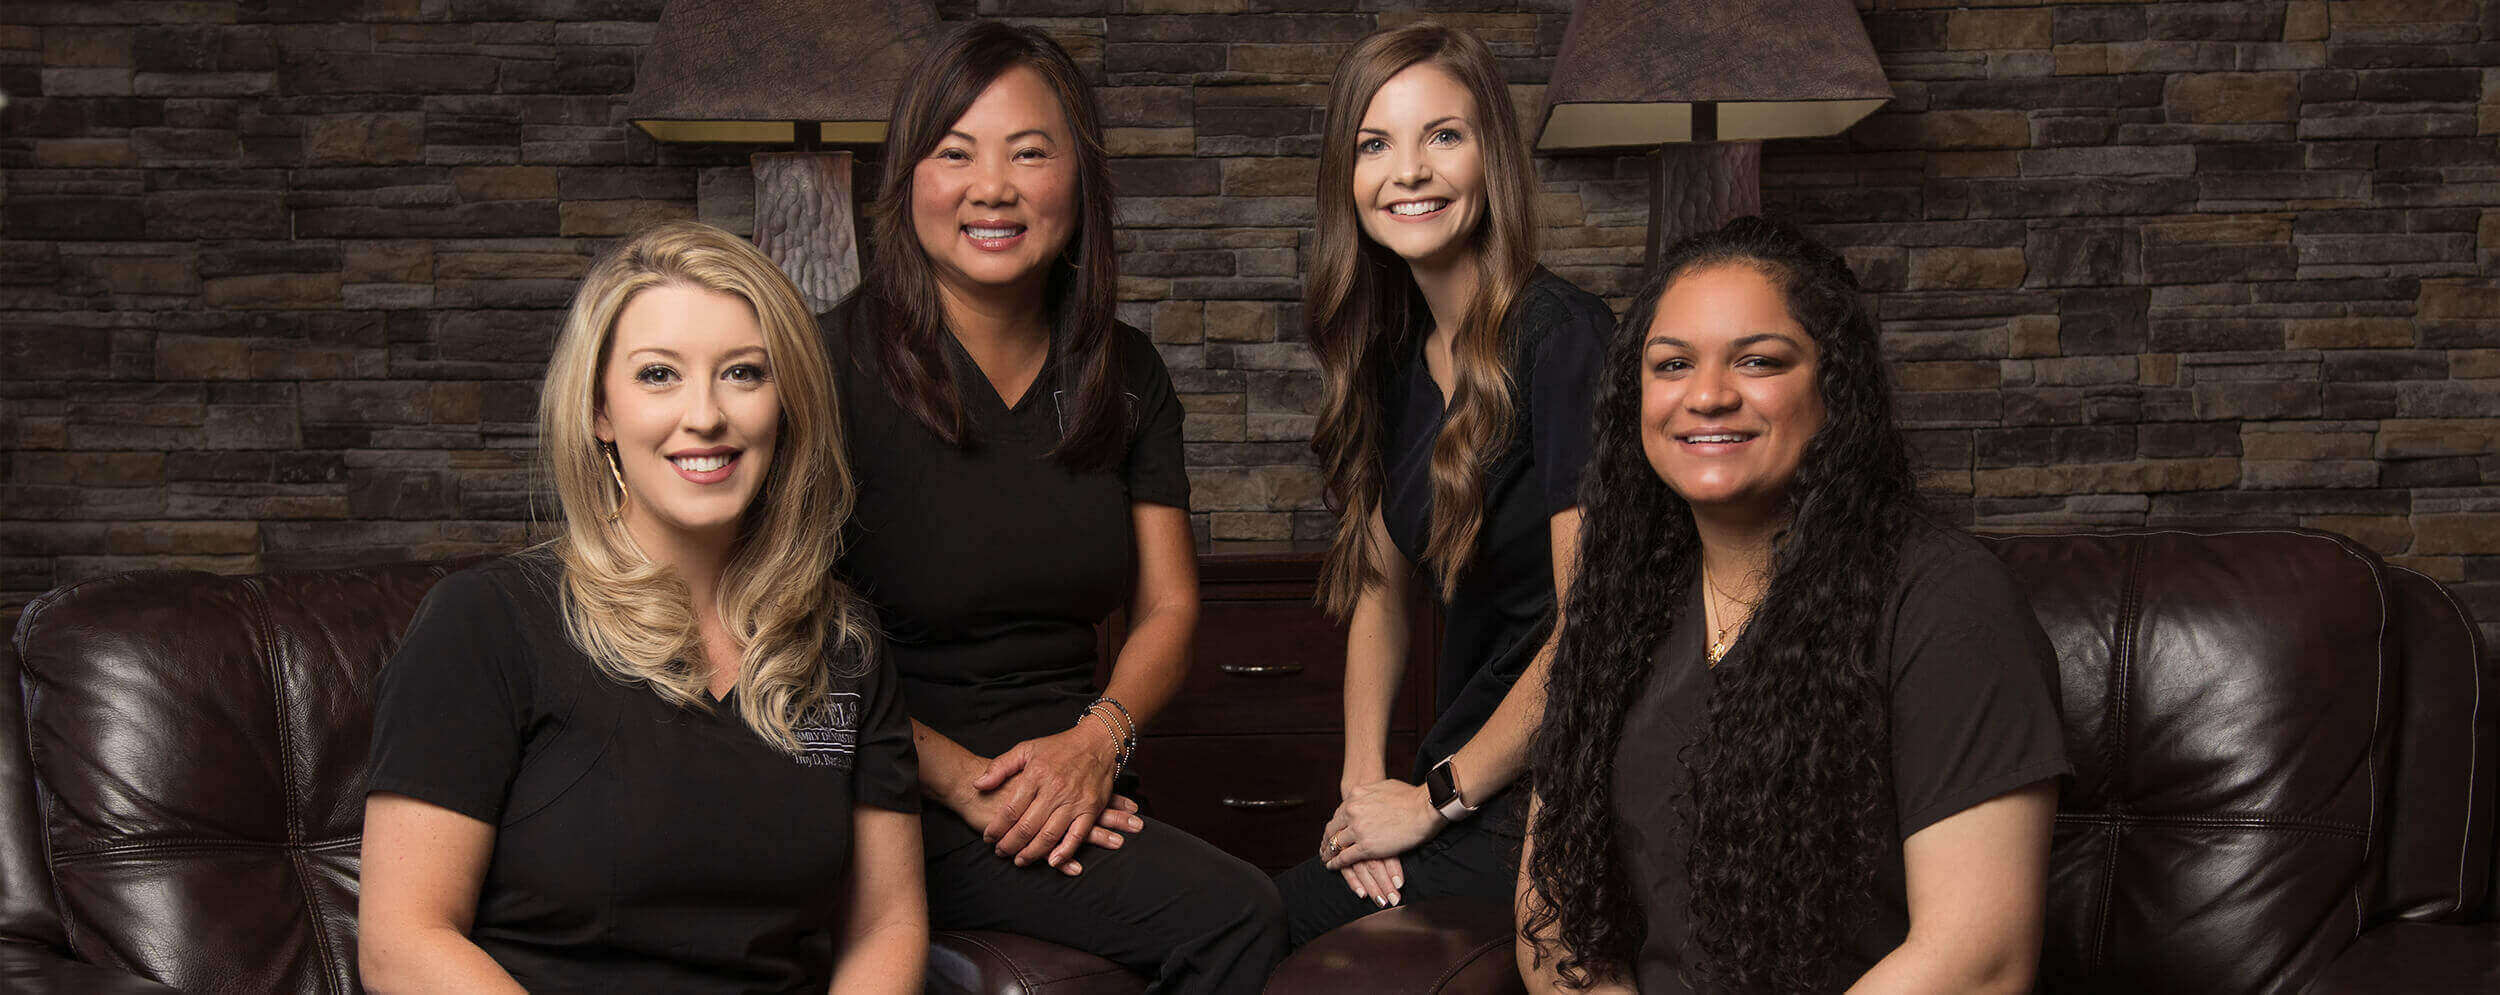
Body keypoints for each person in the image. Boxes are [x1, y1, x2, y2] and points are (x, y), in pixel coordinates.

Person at [818, 21, 1283, 993]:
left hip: (1077, 770)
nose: (993, 187)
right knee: (1236, 914)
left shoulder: (1127, 372)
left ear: (1080, 178)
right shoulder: (828, 366)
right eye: (955, 153)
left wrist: (1097, 741)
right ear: (906, 177)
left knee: (1234, 907)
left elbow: (1167, 608)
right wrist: (965, 785)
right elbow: (787, 632)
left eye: (1029, 152)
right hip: (892, 783)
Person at [357, 221, 925, 993]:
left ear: (785, 404)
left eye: (744, 374)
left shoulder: (844, 647)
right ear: (600, 411)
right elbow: (402, 940)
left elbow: (886, 926)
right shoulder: (483, 622)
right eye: (659, 375)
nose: (705, 415)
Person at [1516, 217, 2069, 993]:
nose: (1707, 396)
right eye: (1671, 364)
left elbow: (1980, 958)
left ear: (1833, 385)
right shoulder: (1616, 607)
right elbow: (1553, 919)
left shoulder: (1944, 600)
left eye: (1759, 361)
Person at [1272, 21, 1615, 947]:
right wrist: (1360, 795)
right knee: (1264, 919)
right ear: (1348, 179)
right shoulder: (1392, 362)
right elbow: (1378, 593)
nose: (1409, 171)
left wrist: (1434, 798)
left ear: (1490, 157)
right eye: (1375, 143)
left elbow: (1594, 625)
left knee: (1253, 928)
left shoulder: (1562, 336)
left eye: (1444, 136)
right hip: (1459, 776)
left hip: (1561, 783)